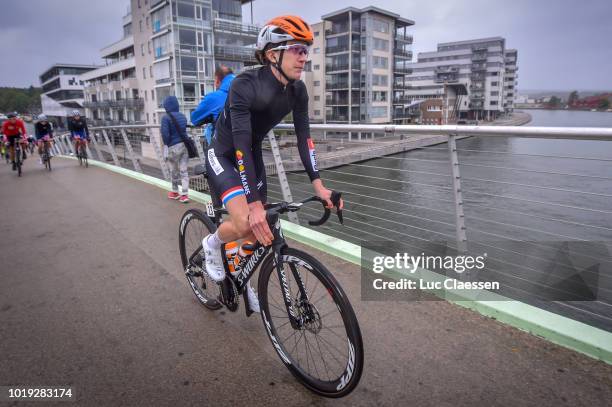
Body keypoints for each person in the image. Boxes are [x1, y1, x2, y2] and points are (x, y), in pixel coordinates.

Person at [201, 15, 343, 313]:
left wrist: (319, 186)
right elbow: (240, 141)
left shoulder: (297, 91)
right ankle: (212, 244)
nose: (303, 57)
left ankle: (238, 276)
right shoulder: (245, 84)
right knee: (244, 221)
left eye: (306, 50)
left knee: (258, 228)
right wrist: (252, 204)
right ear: (272, 54)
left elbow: (305, 138)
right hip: (225, 153)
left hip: (251, 153)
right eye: (296, 49)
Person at [190, 65, 236, 145]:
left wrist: (209, 118)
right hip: (245, 147)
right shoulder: (246, 94)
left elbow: (195, 119)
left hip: (223, 149)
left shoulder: (214, 98)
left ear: (217, 80)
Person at [161, 95, 190, 203]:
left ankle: (174, 192)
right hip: (184, 146)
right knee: (184, 170)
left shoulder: (165, 118)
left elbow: (165, 135)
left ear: (167, 106)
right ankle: (185, 194)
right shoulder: (183, 116)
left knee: (174, 170)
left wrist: (166, 144)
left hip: (173, 147)